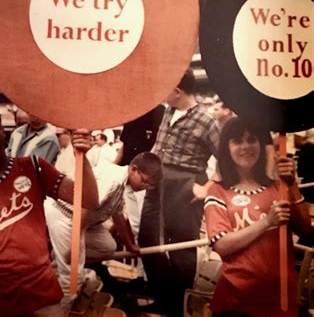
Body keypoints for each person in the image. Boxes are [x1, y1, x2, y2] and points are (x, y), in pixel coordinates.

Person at [0, 104, 98, 316]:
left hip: (41, 293)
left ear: (4, 132)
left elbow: (88, 199)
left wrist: (82, 156)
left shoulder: (34, 167)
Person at [204, 117, 311, 316]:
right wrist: (267, 222)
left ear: (261, 144)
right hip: (236, 302)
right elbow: (222, 245)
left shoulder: (278, 187)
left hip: (281, 300)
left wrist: (292, 184)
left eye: (252, 139)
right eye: (237, 141)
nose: (246, 146)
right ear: (226, 147)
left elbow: (306, 228)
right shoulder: (218, 191)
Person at [139, 69, 220, 316]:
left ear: (177, 91)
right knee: (148, 238)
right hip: (157, 181)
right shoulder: (168, 111)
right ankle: (162, 296)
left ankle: (177, 306)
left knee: (181, 246)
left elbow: (225, 160)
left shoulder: (206, 120)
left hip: (185, 185)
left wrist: (206, 187)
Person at [45, 152, 162, 304]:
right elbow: (83, 205)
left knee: (107, 247)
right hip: (65, 215)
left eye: (149, 185)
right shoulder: (112, 179)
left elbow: (117, 213)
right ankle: (59, 303)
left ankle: (59, 259)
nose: (145, 187)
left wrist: (129, 245)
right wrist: (75, 242)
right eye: (145, 181)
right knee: (73, 279)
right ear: (134, 169)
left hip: (86, 222)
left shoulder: (122, 181)